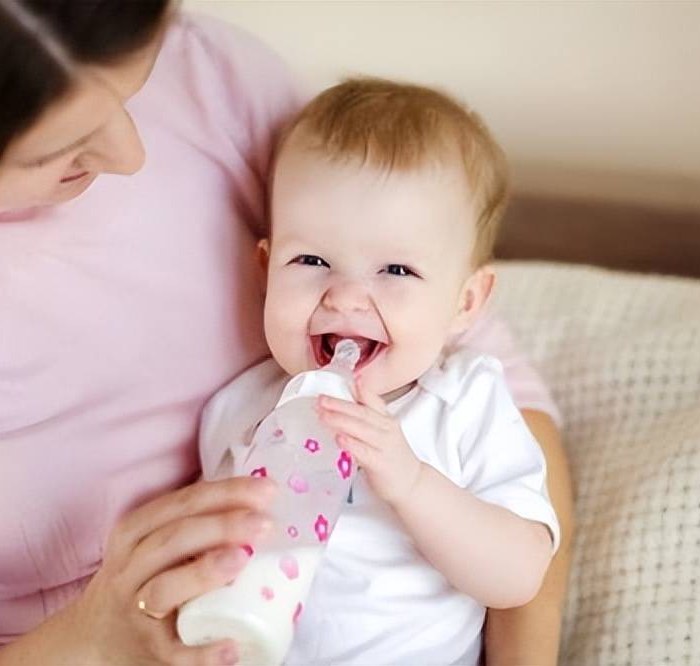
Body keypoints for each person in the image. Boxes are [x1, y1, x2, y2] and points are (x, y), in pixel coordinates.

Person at [0, 2, 574, 665]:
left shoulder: (215, 76)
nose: (133, 155)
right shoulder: (241, 409)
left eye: (137, 84)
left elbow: (486, 366)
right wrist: (91, 639)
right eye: (55, 149)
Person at [197, 78, 559, 665]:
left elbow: (518, 575)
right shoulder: (240, 409)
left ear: (466, 302)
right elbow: (206, 554)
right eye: (310, 260)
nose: (344, 297)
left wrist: (411, 482)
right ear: (265, 269)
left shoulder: (465, 402)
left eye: (395, 270)